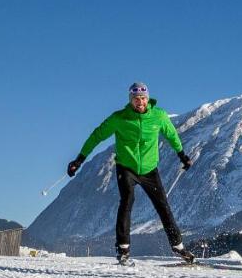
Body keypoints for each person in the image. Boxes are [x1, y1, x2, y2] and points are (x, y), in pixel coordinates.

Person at [66, 82, 195, 265]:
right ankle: (123, 249)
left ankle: (178, 247)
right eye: (135, 99)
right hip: (126, 167)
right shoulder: (119, 118)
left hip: (150, 170)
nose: (139, 102)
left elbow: (172, 135)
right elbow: (97, 136)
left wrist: (182, 155)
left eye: (142, 98)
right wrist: (79, 160)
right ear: (130, 100)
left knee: (163, 206)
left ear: (147, 99)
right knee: (126, 201)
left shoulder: (159, 116)